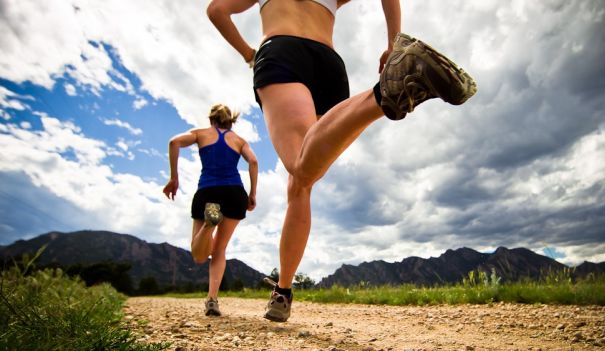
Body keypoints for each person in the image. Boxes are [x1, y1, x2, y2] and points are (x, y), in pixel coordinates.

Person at [207, 0, 477, 322]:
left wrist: (249, 54)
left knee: (299, 164)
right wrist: (393, 41)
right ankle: (283, 291)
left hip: (281, 51)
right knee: (301, 184)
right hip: (329, 64)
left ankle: (381, 96)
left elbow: (217, 10)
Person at [163, 104, 258, 317]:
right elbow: (253, 160)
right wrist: (252, 194)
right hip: (235, 193)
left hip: (208, 192)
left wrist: (174, 178)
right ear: (230, 120)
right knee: (220, 250)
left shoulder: (200, 133)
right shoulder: (239, 140)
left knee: (199, 256)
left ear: (211, 119)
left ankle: (208, 225)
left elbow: (174, 142)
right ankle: (212, 300)